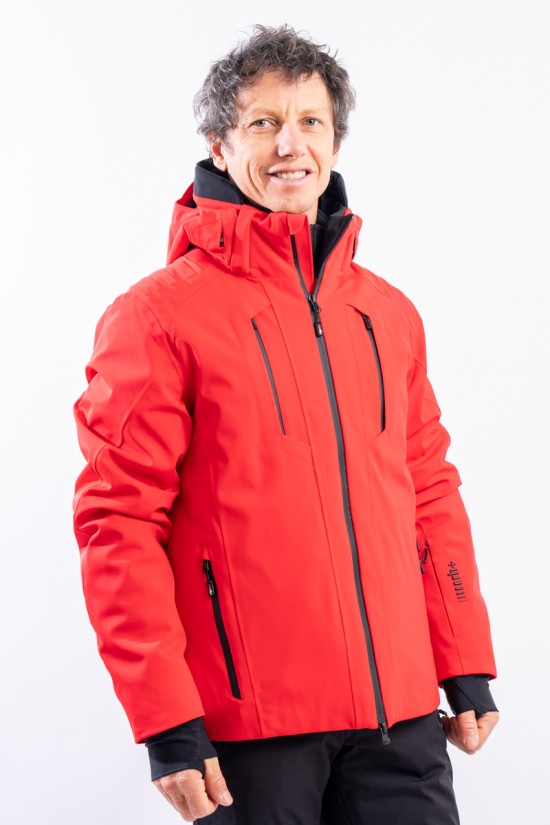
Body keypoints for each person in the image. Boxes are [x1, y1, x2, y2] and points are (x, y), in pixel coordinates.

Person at [73, 24, 499, 825]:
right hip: (251, 731)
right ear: (220, 143)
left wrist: (464, 658)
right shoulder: (157, 317)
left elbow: (429, 490)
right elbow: (117, 522)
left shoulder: (386, 313)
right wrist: (166, 720)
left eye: (310, 122)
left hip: (401, 719)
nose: (290, 144)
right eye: (263, 122)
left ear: (335, 141)